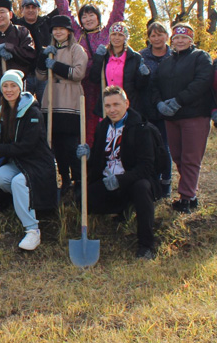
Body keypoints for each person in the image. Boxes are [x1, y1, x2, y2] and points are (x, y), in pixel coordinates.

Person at [50, 0, 130, 145]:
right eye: (84, 17)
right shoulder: (78, 34)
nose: (87, 19)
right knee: (81, 126)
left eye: (91, 15)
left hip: (101, 85)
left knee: (100, 124)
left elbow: (118, 11)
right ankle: (81, 160)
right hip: (79, 86)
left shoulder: (106, 33)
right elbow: (65, 11)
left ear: (98, 17)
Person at [80, 86, 161, 259]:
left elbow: (146, 167)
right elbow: (98, 160)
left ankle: (146, 245)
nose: (112, 110)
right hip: (108, 181)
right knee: (83, 198)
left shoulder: (141, 129)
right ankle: (123, 210)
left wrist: (121, 180)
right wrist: (87, 155)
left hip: (132, 181)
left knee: (142, 188)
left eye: (116, 104)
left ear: (126, 103)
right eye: (108, 106)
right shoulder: (103, 127)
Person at [0, 70, 57, 250]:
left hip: (37, 163)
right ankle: (26, 205)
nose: (9, 90)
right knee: (0, 177)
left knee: (18, 182)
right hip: (19, 163)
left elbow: (28, 145)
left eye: (13, 86)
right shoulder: (2, 112)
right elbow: (7, 140)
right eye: (5, 86)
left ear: (20, 87)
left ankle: (32, 230)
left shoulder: (32, 111)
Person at [152, 23, 213, 213]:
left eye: (184, 37)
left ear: (190, 39)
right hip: (171, 117)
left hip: (194, 115)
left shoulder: (200, 57)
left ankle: (186, 198)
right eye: (176, 38)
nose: (179, 41)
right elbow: (155, 84)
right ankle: (191, 194)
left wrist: (179, 100)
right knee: (177, 156)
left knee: (190, 157)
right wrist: (159, 103)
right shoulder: (167, 62)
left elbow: (202, 82)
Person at [35, 15, 88, 195]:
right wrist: (43, 58)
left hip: (70, 99)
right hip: (52, 100)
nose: (58, 32)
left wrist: (56, 65)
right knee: (56, 144)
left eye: (62, 29)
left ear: (69, 31)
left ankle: (78, 180)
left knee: (70, 144)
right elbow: (41, 76)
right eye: (55, 29)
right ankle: (64, 179)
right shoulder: (49, 50)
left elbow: (78, 73)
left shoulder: (76, 49)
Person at [139, 21, 173, 198]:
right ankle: (153, 182)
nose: (157, 38)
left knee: (165, 148)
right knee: (149, 149)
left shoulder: (174, 55)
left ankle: (166, 182)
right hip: (147, 109)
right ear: (149, 38)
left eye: (160, 34)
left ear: (167, 36)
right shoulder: (142, 56)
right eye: (153, 35)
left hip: (169, 110)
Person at [89, 22, 149, 116]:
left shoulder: (134, 57)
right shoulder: (104, 56)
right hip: (108, 107)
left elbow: (139, 86)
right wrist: (98, 59)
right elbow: (94, 78)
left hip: (127, 106)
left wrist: (144, 75)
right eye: (114, 34)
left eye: (120, 35)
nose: (116, 38)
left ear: (125, 37)